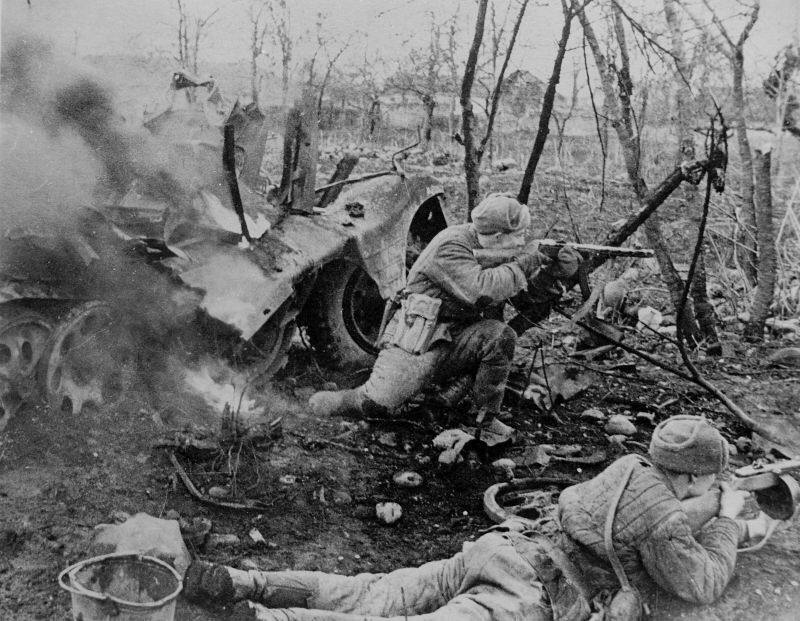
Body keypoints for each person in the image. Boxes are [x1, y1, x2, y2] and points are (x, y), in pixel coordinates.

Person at [184, 415, 776, 620]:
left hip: (502, 547)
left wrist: (698, 508)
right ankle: (262, 617)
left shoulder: (625, 468)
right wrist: (725, 521)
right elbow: (698, 583)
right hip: (533, 592)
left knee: (374, 592)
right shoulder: (669, 520)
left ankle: (241, 582)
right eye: (708, 480)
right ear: (697, 477)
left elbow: (643, 516)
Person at [307, 193, 581, 425]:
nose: (523, 243)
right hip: (418, 342)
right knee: (376, 406)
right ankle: (341, 399)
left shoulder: (500, 253)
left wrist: (555, 276)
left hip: (458, 340)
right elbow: (481, 291)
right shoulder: (451, 245)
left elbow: (522, 301)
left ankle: (484, 419)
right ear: (497, 236)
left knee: (500, 336)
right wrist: (526, 262)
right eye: (518, 237)